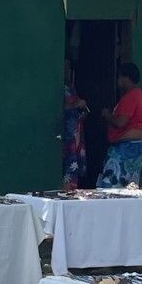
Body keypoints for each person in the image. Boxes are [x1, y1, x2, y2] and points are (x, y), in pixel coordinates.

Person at [98, 62, 142, 188]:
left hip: (128, 147)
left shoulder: (131, 97)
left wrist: (107, 115)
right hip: (134, 145)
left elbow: (120, 122)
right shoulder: (136, 95)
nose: (118, 80)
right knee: (128, 187)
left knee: (110, 185)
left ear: (127, 78)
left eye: (120, 77)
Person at [62, 58, 88, 189]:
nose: (66, 70)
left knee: (73, 166)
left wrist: (81, 113)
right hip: (64, 134)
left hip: (75, 134)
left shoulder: (70, 87)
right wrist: (75, 104)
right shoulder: (58, 86)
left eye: (68, 67)